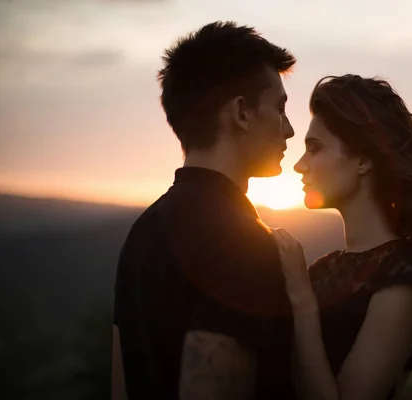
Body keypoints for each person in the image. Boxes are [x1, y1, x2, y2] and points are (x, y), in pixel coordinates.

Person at [272, 75, 412, 400]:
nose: (300, 165)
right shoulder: (325, 268)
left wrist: (300, 298)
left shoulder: (403, 280)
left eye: (314, 148)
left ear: (363, 159)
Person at [111, 21, 296, 400]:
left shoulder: (143, 230)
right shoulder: (240, 240)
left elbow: (121, 385)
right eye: (279, 108)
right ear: (242, 114)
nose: (289, 129)